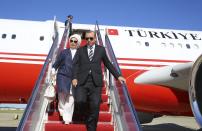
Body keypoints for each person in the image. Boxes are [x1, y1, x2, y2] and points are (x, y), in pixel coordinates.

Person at [72, 31, 126, 131]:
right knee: (79, 101)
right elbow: (75, 65)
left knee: (95, 106)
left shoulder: (101, 50)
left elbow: (108, 63)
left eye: (91, 38)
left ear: (95, 39)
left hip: (95, 82)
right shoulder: (80, 50)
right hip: (82, 80)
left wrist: (118, 76)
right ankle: (87, 116)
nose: (88, 40)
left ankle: (92, 128)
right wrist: (74, 77)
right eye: (87, 38)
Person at [52, 34, 81, 124]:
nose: (72, 43)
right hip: (63, 76)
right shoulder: (64, 52)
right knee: (62, 97)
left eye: (75, 41)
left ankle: (67, 119)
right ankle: (61, 110)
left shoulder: (81, 54)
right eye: (71, 41)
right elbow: (57, 63)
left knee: (71, 98)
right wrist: (53, 71)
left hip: (74, 78)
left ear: (78, 43)